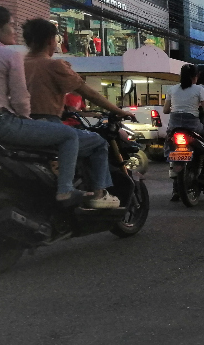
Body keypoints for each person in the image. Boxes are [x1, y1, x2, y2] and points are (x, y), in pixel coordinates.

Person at [0, 4, 85, 203]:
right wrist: (26, 120)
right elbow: (20, 98)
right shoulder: (10, 54)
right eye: (11, 25)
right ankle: (65, 190)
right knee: (68, 135)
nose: (15, 31)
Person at [22, 18, 134, 209]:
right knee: (98, 143)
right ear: (50, 40)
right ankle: (99, 192)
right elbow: (88, 92)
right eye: (56, 39)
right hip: (49, 125)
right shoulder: (54, 65)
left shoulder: (18, 64)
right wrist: (118, 111)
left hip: (22, 125)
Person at [163, 64, 204, 175]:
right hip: (193, 125)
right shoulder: (199, 89)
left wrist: (177, 108)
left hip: (174, 124)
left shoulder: (172, 89)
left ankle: (172, 165)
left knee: (168, 141)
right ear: (195, 76)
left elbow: (165, 110)